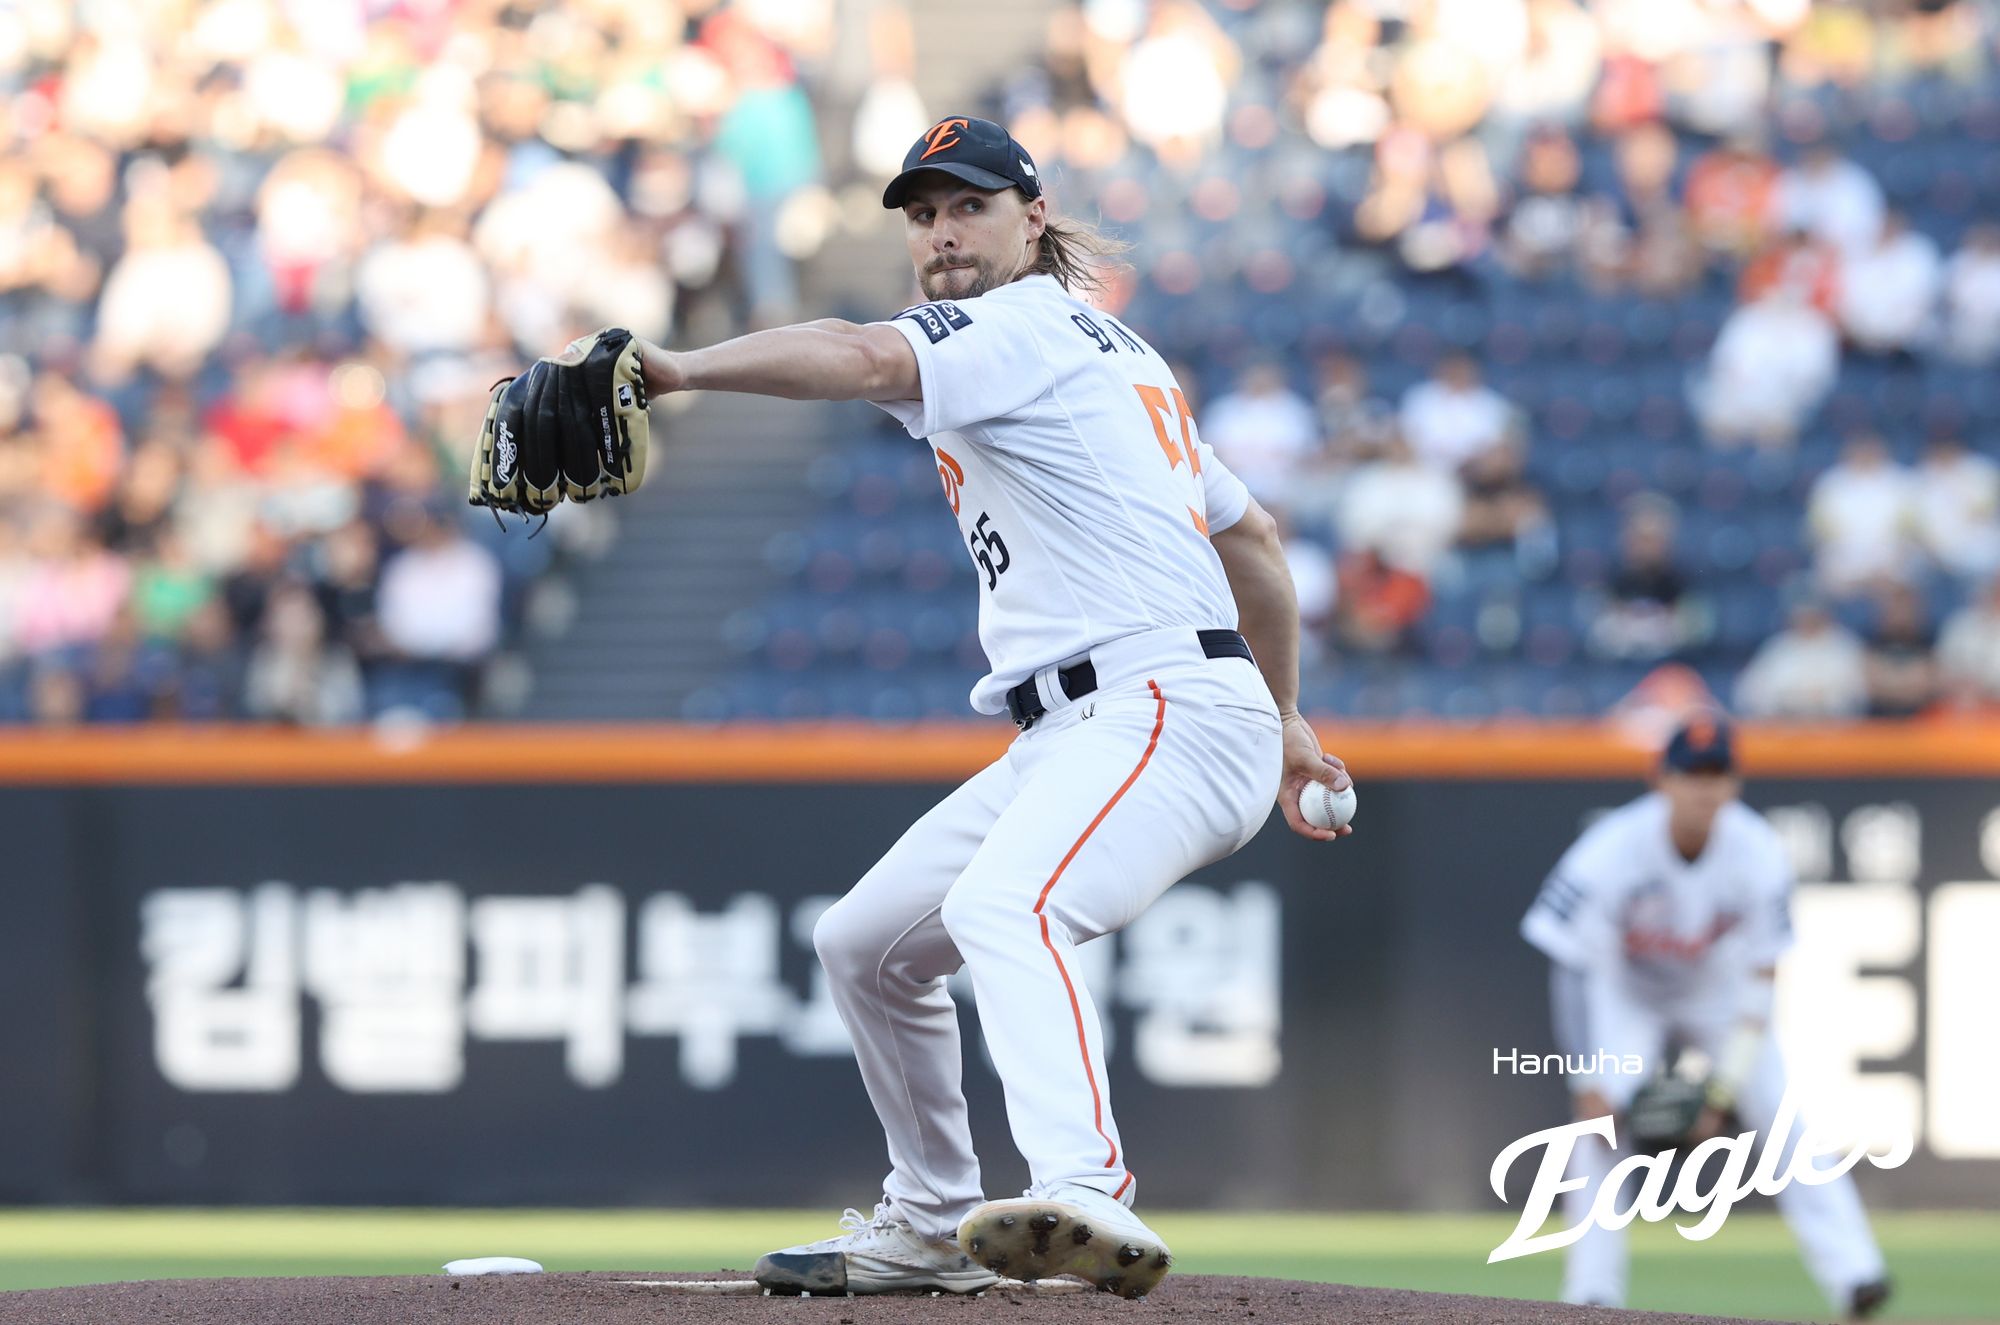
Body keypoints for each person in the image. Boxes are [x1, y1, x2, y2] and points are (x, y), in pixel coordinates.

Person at [600, 115, 1352, 1298]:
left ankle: (1085, 1185)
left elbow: (856, 355)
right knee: (864, 945)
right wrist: (1288, 714)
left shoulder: (1021, 325)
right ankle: (929, 1216)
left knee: (1008, 905)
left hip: (1157, 703)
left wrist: (677, 369)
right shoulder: (1117, 354)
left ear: (1032, 217)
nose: (941, 232)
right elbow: (1249, 537)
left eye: (969, 205)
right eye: (922, 213)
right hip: (1102, 719)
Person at [1519, 716, 1891, 1317]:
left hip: (1716, 991)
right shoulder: (1611, 850)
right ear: (1661, 779)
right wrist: (1586, 1078)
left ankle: (1856, 1274)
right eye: (1691, 774)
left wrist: (1723, 1090)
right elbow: (1571, 967)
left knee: (1781, 1115)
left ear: (1734, 784)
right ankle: (1591, 1293)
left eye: (1716, 774)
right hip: (1628, 990)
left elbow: (1763, 978)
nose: (1704, 788)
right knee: (1598, 1127)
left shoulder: (1757, 850)